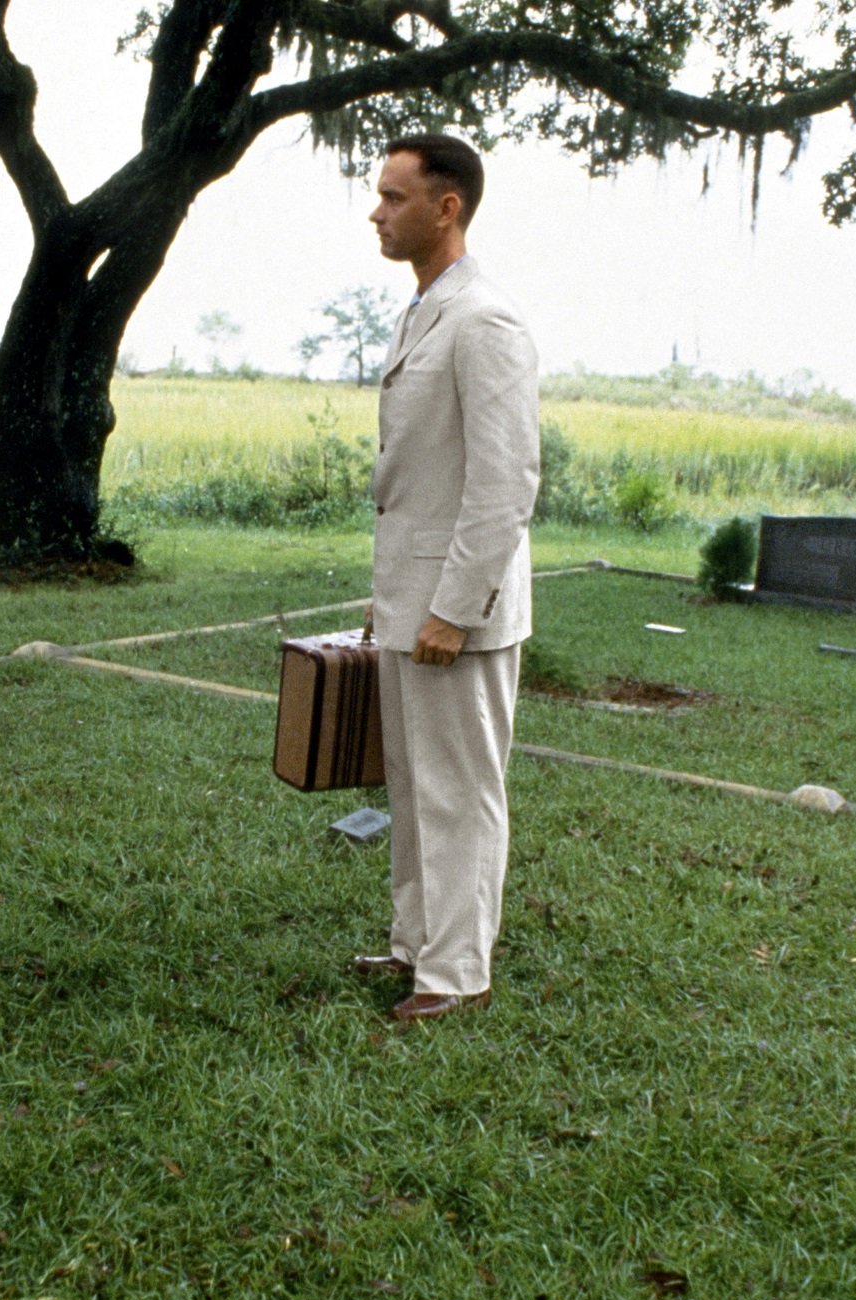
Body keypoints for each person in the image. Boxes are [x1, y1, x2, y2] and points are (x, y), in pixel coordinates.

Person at [353, 134, 541, 1024]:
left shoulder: (485, 319)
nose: (377, 213)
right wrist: (395, 594)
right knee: (412, 782)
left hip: (460, 609)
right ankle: (414, 943)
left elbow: (504, 483)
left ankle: (458, 971)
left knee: (460, 788)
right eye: (380, 196)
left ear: (447, 206)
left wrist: (455, 609)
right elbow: (421, 476)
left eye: (394, 198)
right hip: (410, 595)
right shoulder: (423, 309)